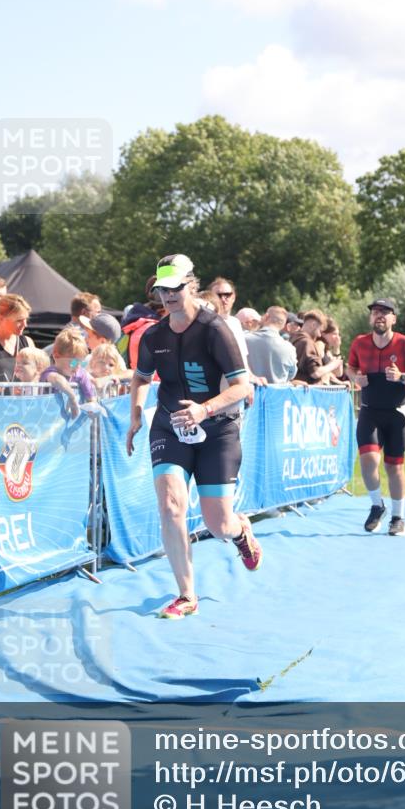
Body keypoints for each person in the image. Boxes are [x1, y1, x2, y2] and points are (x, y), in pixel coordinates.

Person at [127, 254, 263, 620]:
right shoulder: (153, 335)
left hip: (217, 428)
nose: (169, 295)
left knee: (218, 523)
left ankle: (239, 532)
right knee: (171, 505)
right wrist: (136, 415)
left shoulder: (215, 329)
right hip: (171, 425)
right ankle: (187, 594)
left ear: (190, 284)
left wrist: (205, 408)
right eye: (162, 289)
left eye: (175, 287)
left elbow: (242, 386)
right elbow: (140, 378)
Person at [346, 297, 405, 537]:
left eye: (385, 312)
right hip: (370, 411)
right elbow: (350, 368)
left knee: (394, 467)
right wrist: (354, 378)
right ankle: (376, 505)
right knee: (368, 461)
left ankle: (398, 517)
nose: (379, 315)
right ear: (371, 318)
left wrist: (403, 376)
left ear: (394, 318)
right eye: (375, 312)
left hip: (397, 414)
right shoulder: (360, 343)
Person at [245, 305, 297, 384]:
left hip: (250, 393)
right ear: (283, 325)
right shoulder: (290, 348)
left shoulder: (245, 339)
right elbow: (291, 374)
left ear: (266, 316)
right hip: (277, 394)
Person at [291, 310, 343, 385]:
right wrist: (333, 365)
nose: (319, 335)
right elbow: (315, 373)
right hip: (307, 392)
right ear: (313, 325)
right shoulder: (307, 342)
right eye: (319, 330)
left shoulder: (294, 338)